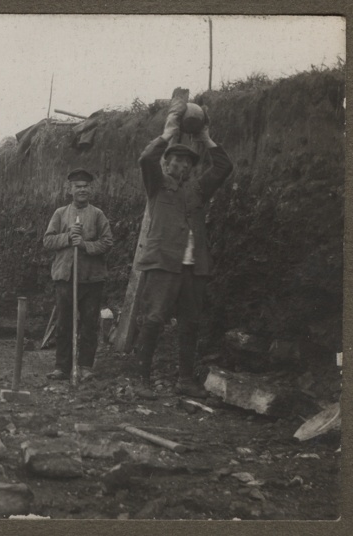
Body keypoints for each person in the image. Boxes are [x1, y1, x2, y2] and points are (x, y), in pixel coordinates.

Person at [133, 89, 234, 399]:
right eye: (176, 159)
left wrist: (205, 138)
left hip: (194, 266)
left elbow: (223, 167)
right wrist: (168, 133)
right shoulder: (157, 185)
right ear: (166, 163)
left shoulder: (198, 190)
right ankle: (141, 379)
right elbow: (146, 158)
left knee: (190, 323)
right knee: (154, 319)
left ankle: (185, 380)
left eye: (187, 161)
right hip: (163, 263)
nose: (182, 165)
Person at [43, 168, 113, 381]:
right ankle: (62, 367)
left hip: (92, 279)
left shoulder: (98, 214)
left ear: (90, 189)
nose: (82, 190)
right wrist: (67, 237)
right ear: (70, 189)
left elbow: (107, 242)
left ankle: (85, 366)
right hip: (65, 277)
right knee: (64, 323)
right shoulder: (60, 213)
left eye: (86, 187)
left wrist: (84, 245)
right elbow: (47, 241)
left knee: (89, 324)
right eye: (78, 186)